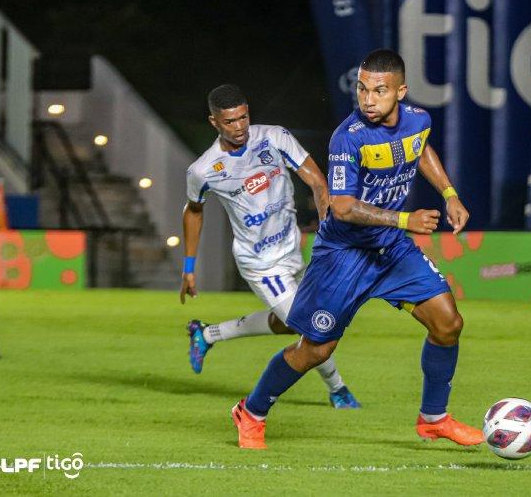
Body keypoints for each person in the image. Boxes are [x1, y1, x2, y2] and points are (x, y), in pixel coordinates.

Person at [231, 50, 484, 449]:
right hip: (343, 254)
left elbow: (420, 149)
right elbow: (343, 207)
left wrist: (449, 193)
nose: (368, 99)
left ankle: (434, 418)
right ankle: (251, 411)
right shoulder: (348, 137)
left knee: (448, 324)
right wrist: (405, 220)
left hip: (390, 249)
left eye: (379, 91)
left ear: (401, 91)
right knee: (316, 350)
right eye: (362, 89)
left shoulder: (419, 120)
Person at [181, 84, 360, 409]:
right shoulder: (204, 170)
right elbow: (193, 211)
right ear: (214, 122)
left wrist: (328, 231)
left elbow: (317, 181)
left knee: (286, 323)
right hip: (261, 263)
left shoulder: (275, 137)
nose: (240, 127)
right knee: (310, 327)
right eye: (230, 121)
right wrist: (189, 267)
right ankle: (339, 390)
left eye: (244, 117)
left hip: (293, 250)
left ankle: (206, 334)